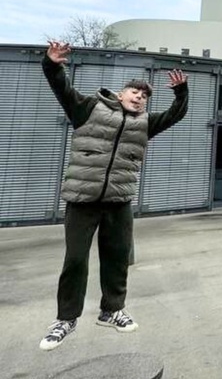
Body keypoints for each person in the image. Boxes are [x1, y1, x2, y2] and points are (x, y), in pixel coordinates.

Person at [38, 41, 189, 351]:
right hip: (82, 199)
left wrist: (181, 92)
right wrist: (52, 64)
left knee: (117, 257)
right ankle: (65, 319)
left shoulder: (145, 124)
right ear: (121, 94)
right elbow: (62, 88)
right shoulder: (89, 108)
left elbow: (177, 114)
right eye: (135, 92)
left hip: (119, 201)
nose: (140, 98)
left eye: (145, 96)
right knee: (76, 259)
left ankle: (112, 310)